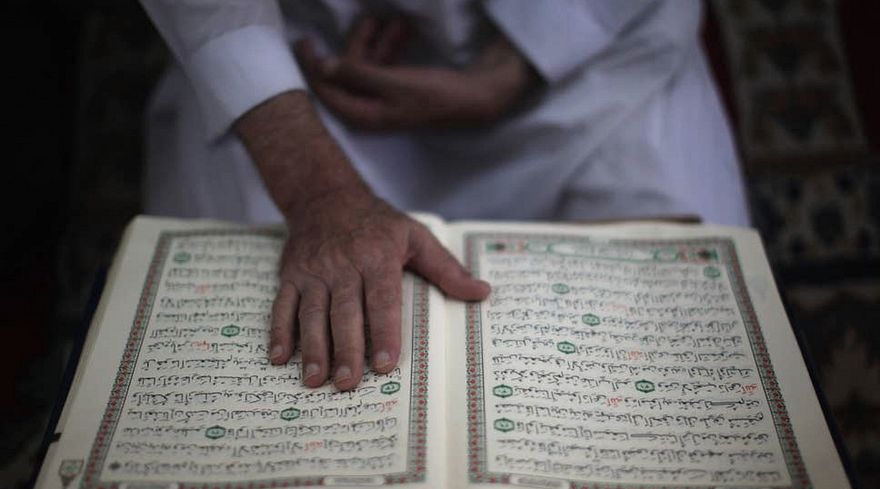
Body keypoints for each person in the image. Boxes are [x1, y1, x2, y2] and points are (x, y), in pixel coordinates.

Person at [140, 0, 750, 392]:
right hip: (302, 70)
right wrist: (319, 193)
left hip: (595, 60)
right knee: (227, 343)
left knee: (681, 336)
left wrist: (520, 62)